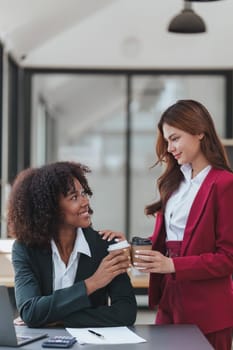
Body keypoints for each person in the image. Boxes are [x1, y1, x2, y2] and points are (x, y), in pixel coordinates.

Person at [101, 99, 233, 350]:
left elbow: (228, 258)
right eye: (166, 141)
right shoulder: (174, 184)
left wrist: (172, 264)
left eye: (175, 138)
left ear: (200, 132)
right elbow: (167, 242)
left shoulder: (225, 184)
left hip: (209, 309)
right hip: (170, 300)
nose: (169, 148)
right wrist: (131, 247)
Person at [7, 161, 137, 328]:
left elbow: (126, 312)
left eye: (83, 193)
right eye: (74, 197)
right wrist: (93, 283)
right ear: (50, 208)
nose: (85, 202)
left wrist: (60, 319)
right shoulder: (25, 249)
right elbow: (31, 311)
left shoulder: (105, 246)